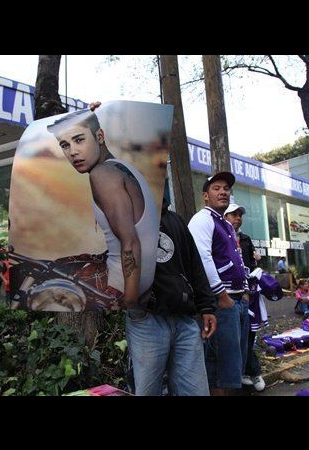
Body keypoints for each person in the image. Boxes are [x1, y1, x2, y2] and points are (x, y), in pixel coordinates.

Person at [47, 107, 158, 310]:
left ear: (99, 136)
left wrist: (130, 303)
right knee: (54, 265)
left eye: (79, 140)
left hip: (120, 287)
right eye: (65, 145)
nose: (73, 152)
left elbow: (130, 242)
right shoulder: (122, 167)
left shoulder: (102, 174)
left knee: (41, 279)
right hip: (142, 283)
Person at [125, 197, 217, 396]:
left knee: (196, 391)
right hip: (146, 319)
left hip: (184, 319)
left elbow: (195, 264)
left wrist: (207, 306)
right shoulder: (125, 218)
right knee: (148, 391)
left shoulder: (176, 220)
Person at [188, 172, 250, 396]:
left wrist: (244, 293)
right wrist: (222, 295)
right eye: (216, 188)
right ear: (205, 195)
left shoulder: (224, 223)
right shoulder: (202, 219)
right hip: (220, 301)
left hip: (235, 299)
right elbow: (202, 258)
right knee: (218, 366)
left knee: (232, 366)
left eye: (226, 188)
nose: (223, 192)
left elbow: (235, 259)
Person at [224, 203, 267, 392]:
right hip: (224, 296)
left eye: (240, 215)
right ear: (224, 216)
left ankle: (252, 372)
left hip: (247, 295)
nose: (238, 218)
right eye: (233, 214)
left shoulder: (246, 239)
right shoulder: (219, 236)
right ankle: (243, 373)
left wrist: (249, 292)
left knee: (248, 335)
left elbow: (250, 266)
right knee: (233, 339)